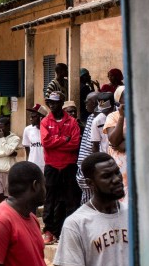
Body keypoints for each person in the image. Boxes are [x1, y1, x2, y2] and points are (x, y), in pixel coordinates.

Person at [40, 91, 81, 245]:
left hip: (69, 166)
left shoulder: (71, 122)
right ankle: (49, 231)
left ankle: (70, 232)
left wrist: (56, 142)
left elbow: (75, 144)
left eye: (55, 102)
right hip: (51, 166)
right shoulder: (45, 122)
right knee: (50, 200)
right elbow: (46, 143)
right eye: (50, 102)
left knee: (70, 200)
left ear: (61, 103)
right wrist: (64, 139)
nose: (52, 105)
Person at [75, 92, 112, 205]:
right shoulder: (92, 118)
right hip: (87, 163)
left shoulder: (103, 119)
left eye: (88, 101)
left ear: (96, 103)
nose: (85, 103)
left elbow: (95, 146)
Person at [102, 86, 128, 202]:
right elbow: (114, 140)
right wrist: (122, 116)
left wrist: (122, 144)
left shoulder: (139, 115)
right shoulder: (113, 116)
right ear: (119, 99)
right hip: (119, 167)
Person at [0, 115, 21, 203]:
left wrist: (2, 139)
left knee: (8, 195)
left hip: (9, 172)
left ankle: (7, 210)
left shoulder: (15, 138)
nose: (0, 130)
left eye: (2, 127)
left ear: (8, 126)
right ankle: (6, 208)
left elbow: (8, 150)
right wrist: (6, 154)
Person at [22, 104, 47, 175]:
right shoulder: (27, 130)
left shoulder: (49, 129)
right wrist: (28, 163)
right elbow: (27, 148)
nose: (30, 119)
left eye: (33, 116)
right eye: (31, 116)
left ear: (41, 117)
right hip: (33, 165)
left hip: (46, 166)